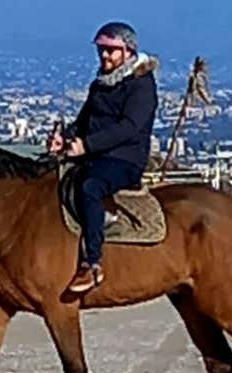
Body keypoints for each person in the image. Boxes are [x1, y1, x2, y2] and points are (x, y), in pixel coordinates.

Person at [48, 21, 159, 293]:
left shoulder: (141, 86)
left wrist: (86, 146)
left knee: (91, 187)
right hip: (95, 154)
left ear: (128, 51)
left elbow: (129, 128)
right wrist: (65, 138)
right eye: (102, 51)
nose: (105, 56)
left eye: (111, 51)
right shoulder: (100, 83)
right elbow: (85, 118)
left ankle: (92, 263)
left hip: (125, 159)